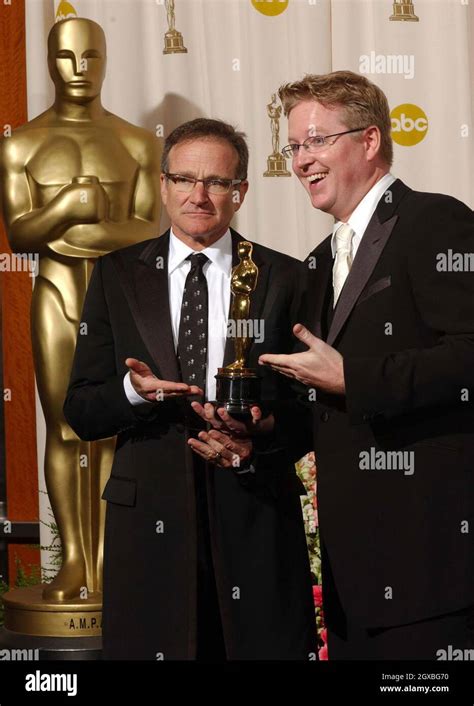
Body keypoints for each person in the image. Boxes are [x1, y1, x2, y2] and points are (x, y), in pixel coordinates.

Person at [63, 118, 315, 660]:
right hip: (146, 524)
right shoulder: (116, 275)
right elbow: (81, 409)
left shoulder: (288, 278)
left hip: (256, 517)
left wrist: (258, 438)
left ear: (240, 192)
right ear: (162, 185)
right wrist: (133, 393)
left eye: (218, 183)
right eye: (184, 179)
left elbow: (314, 409)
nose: (199, 195)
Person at [259, 71, 474, 660]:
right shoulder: (318, 261)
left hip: (430, 568)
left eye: (316, 141)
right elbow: (322, 406)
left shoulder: (436, 222)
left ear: (371, 140)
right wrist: (258, 432)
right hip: (353, 579)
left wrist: (357, 378)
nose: (302, 160)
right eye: (294, 146)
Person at [0, 17, 160, 601]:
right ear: (48, 60)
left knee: (119, 426)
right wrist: (71, 202)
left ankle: (113, 554)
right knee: (65, 428)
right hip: (57, 299)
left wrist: (66, 233)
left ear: (106, 59)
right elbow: (19, 235)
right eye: (66, 58)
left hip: (124, 305)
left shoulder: (139, 143)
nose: (78, 70)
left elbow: (147, 235)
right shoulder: (21, 144)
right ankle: (72, 559)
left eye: (90, 58)